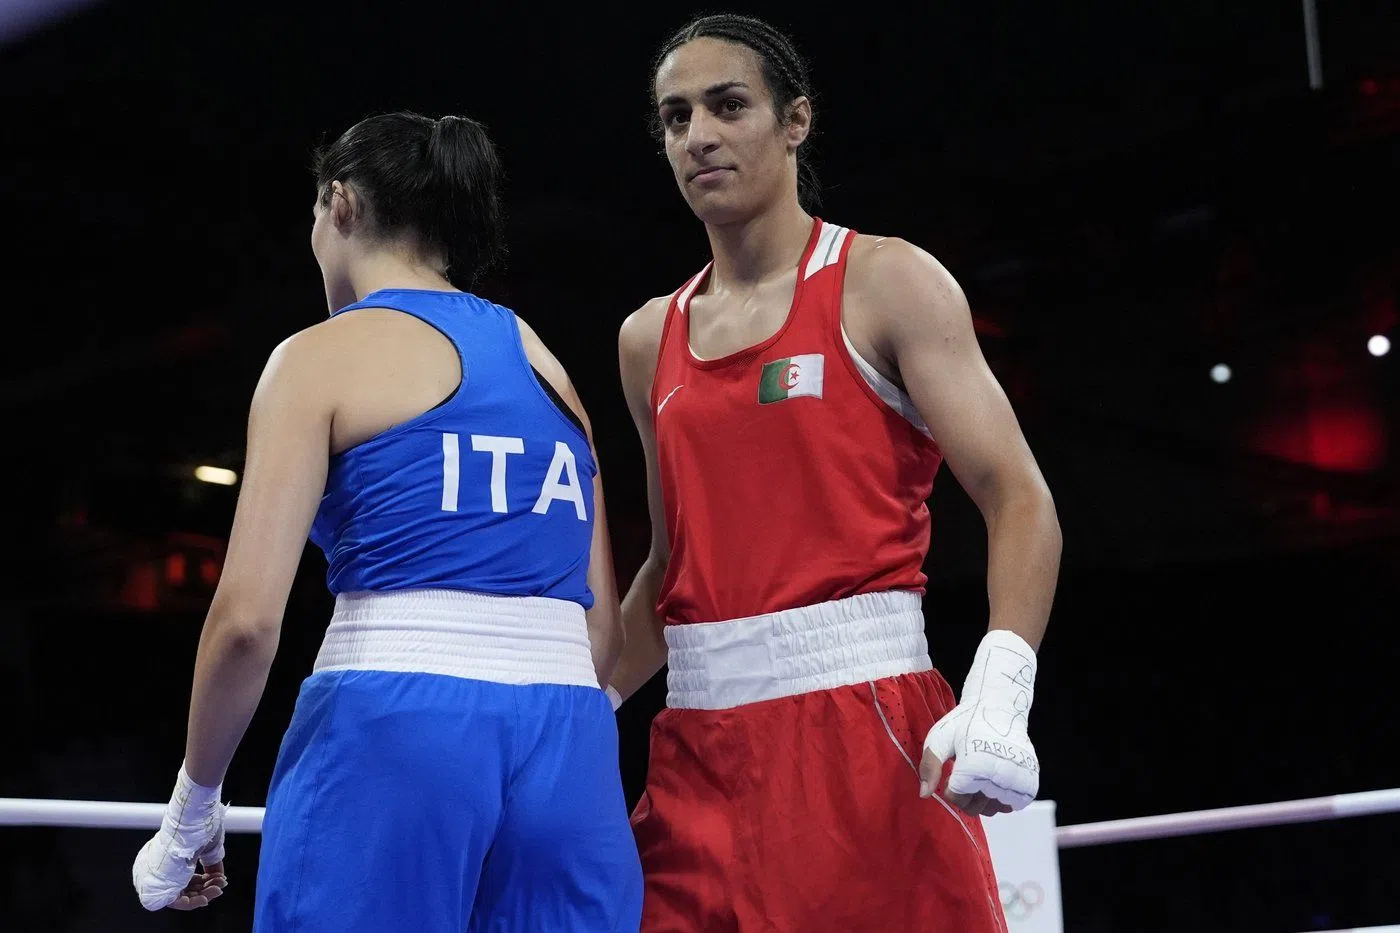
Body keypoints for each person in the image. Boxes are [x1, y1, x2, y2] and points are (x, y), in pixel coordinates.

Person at [131, 111, 643, 933]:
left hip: (394, 727)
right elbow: (604, 634)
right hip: (571, 745)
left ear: (339, 205)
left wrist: (192, 808)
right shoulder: (549, 365)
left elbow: (246, 623)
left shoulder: (320, 356)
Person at [606, 14, 1063, 932]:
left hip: (863, 732)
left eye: (728, 105)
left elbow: (1020, 500)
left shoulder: (886, 282)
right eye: (674, 115)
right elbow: (671, 568)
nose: (698, 135)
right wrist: (571, 716)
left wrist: (1001, 688)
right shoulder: (647, 336)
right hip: (693, 752)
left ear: (795, 121)